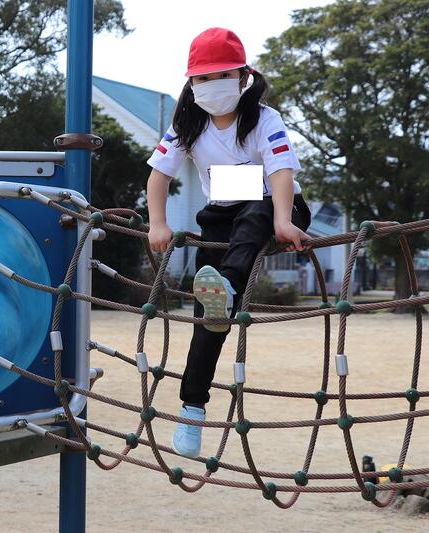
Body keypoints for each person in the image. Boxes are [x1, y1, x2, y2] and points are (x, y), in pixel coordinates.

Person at [145, 28, 311, 458]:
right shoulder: (188, 123)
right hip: (222, 212)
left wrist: (282, 220)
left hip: (277, 203)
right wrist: (158, 223)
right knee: (208, 321)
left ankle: (229, 285)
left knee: (255, 212)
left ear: (243, 77)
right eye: (202, 78)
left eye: (221, 75)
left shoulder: (264, 118)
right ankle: (192, 410)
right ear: (191, 83)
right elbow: (159, 175)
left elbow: (280, 172)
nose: (211, 85)